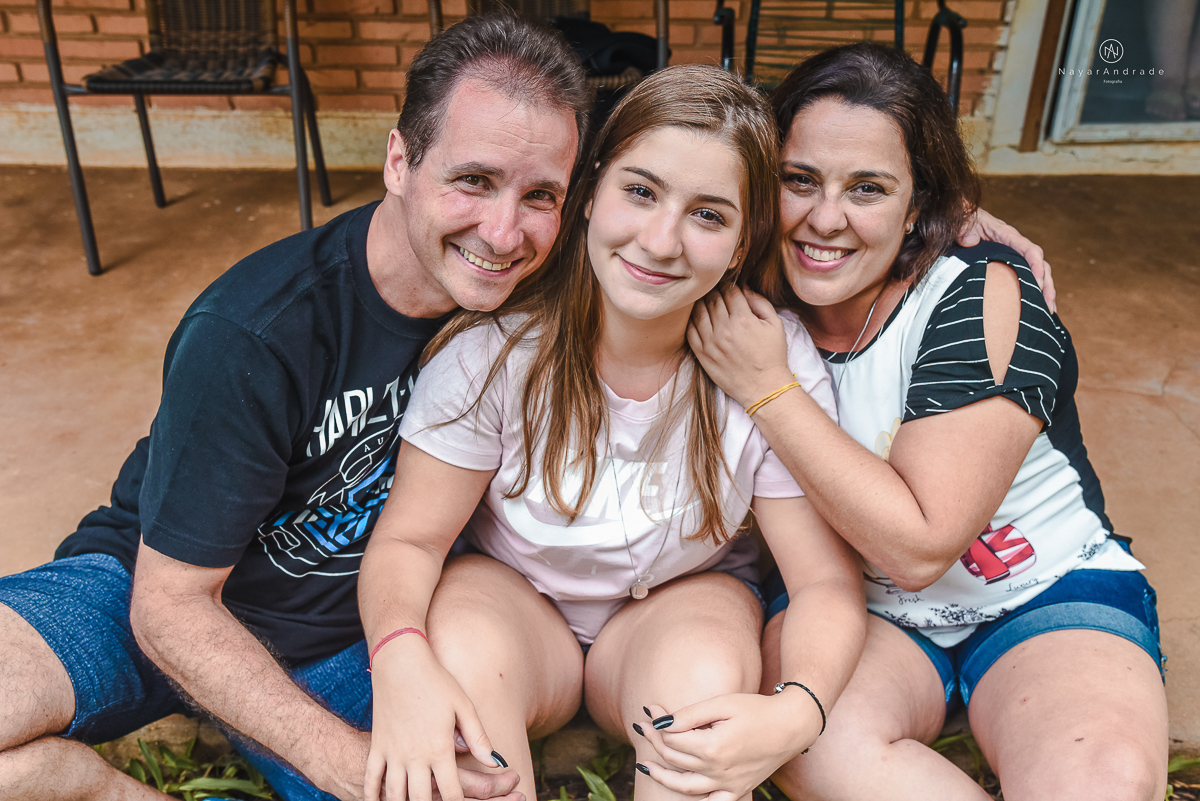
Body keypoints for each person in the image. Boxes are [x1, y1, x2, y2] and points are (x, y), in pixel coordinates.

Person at [0, 15, 588, 801]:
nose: (504, 231)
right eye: (474, 180)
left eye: (539, 195)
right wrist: (344, 762)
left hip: (347, 638)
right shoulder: (257, 328)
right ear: (399, 161)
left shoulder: (537, 298)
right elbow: (170, 605)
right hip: (149, 588)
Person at [358, 64, 867, 801]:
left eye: (709, 215)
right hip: (515, 605)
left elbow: (822, 580)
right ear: (590, 191)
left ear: (740, 243)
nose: (661, 241)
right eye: (641, 191)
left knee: (703, 677)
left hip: (678, 601)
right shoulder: (493, 353)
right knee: (459, 656)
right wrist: (401, 656)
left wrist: (800, 709)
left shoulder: (768, 357)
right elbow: (409, 540)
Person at [680, 41, 1168, 800]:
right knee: (817, 747)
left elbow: (918, 545)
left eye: (868, 189)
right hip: (853, 607)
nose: (825, 219)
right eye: (798, 179)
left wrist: (767, 387)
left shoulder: (980, 294)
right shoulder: (735, 271)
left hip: (1040, 586)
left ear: (919, 206)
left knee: (1099, 780)